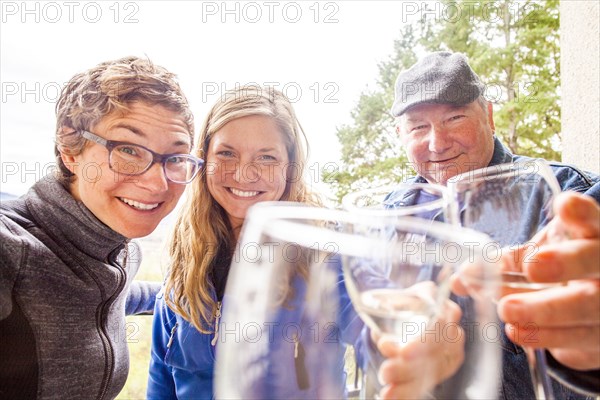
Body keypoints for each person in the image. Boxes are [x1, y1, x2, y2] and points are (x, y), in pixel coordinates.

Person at [385, 51, 600, 398]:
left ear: (488, 115)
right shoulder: (389, 216)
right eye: (418, 127)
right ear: (401, 134)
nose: (437, 143)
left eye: (454, 118)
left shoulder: (567, 191)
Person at [0, 56, 203, 399]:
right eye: (127, 149)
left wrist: (200, 294)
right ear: (70, 149)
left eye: (176, 157)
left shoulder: (118, 252)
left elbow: (117, 295)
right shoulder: (11, 248)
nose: (157, 184)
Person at [146, 85, 354, 398]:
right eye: (226, 153)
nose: (244, 174)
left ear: (290, 167)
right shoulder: (188, 247)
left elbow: (370, 327)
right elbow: (161, 377)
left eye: (267, 157)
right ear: (204, 159)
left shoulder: (324, 250)